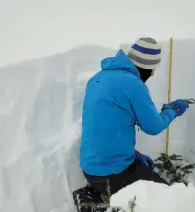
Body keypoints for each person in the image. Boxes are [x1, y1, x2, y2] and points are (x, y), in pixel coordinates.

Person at [79, 37, 189, 198]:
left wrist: (134, 155)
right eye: (153, 71)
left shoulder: (97, 78)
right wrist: (173, 109)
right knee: (168, 197)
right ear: (148, 68)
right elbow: (153, 126)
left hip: (90, 166)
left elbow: (106, 125)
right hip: (112, 171)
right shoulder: (134, 85)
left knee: (145, 171)